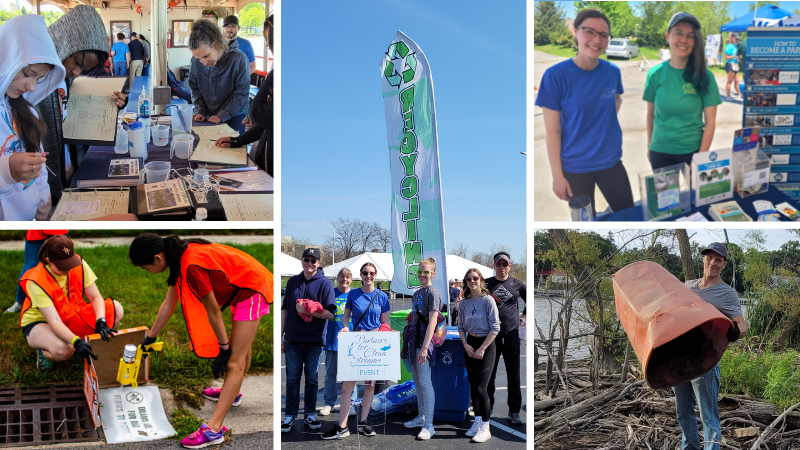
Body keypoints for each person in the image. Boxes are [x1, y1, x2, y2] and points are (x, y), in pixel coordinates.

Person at [129, 234, 273, 448]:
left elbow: (213, 311)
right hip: (240, 285)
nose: (147, 272)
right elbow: (168, 304)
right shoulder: (178, 256)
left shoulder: (191, 267)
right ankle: (231, 394)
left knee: (234, 360)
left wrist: (223, 349)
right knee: (240, 350)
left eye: (145, 268)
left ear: (158, 258)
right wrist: (151, 336)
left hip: (251, 288)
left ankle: (214, 430)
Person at [535, 8, 633, 217]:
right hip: (575, 168)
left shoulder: (612, 72)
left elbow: (616, 99)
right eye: (589, 31)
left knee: (629, 215)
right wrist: (557, 176)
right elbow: (552, 132)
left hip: (611, 163)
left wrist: (602, 124)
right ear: (575, 31)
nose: (597, 40)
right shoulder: (555, 76)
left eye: (604, 35)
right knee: (586, 225)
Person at [38, 5, 127, 203]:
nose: (77, 72)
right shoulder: (35, 80)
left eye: (84, 69)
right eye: (77, 62)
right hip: (43, 183)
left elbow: (76, 115)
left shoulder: (65, 75)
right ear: (64, 43)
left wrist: (113, 105)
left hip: (68, 170)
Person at [676, 243, 746, 450]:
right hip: (679, 360)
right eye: (709, 258)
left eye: (718, 260)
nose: (712, 263)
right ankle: (689, 447)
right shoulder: (687, 286)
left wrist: (735, 332)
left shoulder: (727, 293)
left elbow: (741, 324)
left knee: (708, 416)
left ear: (724, 264)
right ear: (704, 259)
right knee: (683, 413)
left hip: (705, 362)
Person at [18, 235, 123, 371]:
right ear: (49, 261)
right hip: (42, 322)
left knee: (117, 309)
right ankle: (43, 350)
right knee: (64, 350)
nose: (68, 269)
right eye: (63, 266)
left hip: (70, 314)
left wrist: (101, 322)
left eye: (70, 263)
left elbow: (96, 298)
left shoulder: (78, 264)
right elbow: (54, 321)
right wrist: (76, 341)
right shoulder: (37, 281)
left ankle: (82, 343)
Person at [0, 14, 66, 221]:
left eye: (38, 78)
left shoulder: (28, 112)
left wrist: (44, 214)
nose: (31, 87)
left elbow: (39, 171)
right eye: (28, 73)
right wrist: (5, 170)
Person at [644, 12, 722, 170]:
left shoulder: (705, 76)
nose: (683, 40)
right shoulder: (654, 74)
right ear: (668, 37)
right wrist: (650, 145)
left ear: (695, 41)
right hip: (660, 150)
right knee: (666, 195)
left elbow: (710, 123)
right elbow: (650, 114)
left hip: (692, 152)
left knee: (694, 195)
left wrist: (700, 159)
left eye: (690, 36)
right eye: (678, 33)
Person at [321, 262, 391, 440]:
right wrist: (345, 328)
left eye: (371, 273)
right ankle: (342, 427)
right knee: (347, 386)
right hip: (357, 340)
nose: (368, 276)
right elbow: (346, 317)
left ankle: (363, 422)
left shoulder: (382, 296)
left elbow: (383, 322)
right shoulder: (353, 294)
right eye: (365, 273)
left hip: (374, 342)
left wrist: (386, 334)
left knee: (370, 384)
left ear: (376, 275)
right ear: (361, 275)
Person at [281, 248, 335, 433]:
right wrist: (281, 335)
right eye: (307, 259)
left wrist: (311, 311)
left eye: (314, 260)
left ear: (319, 263)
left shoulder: (325, 284)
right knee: (292, 379)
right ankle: (289, 416)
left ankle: (310, 414)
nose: (310, 264)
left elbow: (331, 314)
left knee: (311, 379)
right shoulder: (292, 282)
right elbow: (285, 310)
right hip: (292, 339)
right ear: (301, 260)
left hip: (314, 340)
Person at [215, 15, 273, 175]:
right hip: (264, 158)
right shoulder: (218, 45)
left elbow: (257, 113)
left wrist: (267, 79)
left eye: (269, 39)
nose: (267, 45)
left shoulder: (245, 45)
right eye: (227, 26)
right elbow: (267, 122)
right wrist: (238, 141)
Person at [458, 268, 500, 443]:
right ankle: (476, 422)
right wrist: (466, 344)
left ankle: (486, 426)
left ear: (481, 280)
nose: (472, 281)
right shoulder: (464, 302)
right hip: (470, 343)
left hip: (486, 345)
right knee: (473, 387)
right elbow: (460, 326)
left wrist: (482, 348)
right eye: (468, 279)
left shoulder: (488, 300)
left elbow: (495, 328)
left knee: (482, 388)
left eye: (475, 278)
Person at [401, 258, 440, 440]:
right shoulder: (417, 293)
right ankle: (422, 415)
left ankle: (429, 424)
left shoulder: (433, 293)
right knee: (417, 382)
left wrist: (425, 347)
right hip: (413, 340)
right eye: (420, 272)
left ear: (432, 273)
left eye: (426, 272)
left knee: (425, 383)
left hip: (424, 342)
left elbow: (432, 322)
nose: (422, 275)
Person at [485, 251, 526, 426]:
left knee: (513, 375)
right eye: (498, 264)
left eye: (505, 264)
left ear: (510, 265)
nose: (502, 267)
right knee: (489, 375)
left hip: (511, 335)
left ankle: (514, 412)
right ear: (494, 265)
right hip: (491, 336)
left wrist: (523, 317)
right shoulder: (486, 284)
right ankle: (489, 408)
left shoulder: (518, 284)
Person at [188, 19, 250, 134]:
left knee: (233, 149)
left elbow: (241, 95)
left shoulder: (239, 59)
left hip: (234, 116)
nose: (204, 62)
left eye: (206, 56)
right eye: (199, 59)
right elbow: (195, 89)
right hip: (209, 115)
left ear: (215, 44)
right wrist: (199, 110)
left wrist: (223, 114)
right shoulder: (196, 61)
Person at [319, 268, 357, 417]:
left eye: (347, 278)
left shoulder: (354, 295)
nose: (344, 280)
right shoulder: (331, 294)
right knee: (330, 374)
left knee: (350, 374)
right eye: (342, 277)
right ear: (337, 278)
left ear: (351, 280)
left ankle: (351, 403)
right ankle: (329, 403)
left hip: (351, 341)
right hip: (332, 338)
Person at [6, 230, 68, 313]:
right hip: (37, 229)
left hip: (58, 225)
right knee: (30, 267)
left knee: (59, 263)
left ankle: (59, 300)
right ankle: (20, 302)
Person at [724, 33, 742, 99]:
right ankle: (728, 96)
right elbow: (726, 57)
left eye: (737, 38)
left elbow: (736, 55)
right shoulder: (728, 46)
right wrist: (734, 56)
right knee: (729, 81)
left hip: (736, 64)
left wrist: (739, 58)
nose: (737, 39)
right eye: (736, 38)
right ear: (732, 38)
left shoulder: (735, 45)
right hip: (730, 64)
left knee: (737, 81)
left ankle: (739, 94)